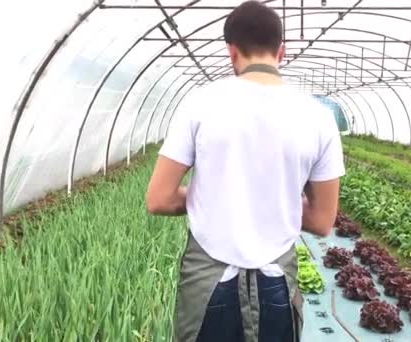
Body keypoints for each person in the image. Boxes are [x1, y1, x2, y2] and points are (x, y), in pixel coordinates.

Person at [145, 1, 345, 341]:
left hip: (208, 281)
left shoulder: (200, 104)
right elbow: (323, 221)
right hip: (277, 282)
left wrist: (216, 198)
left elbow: (158, 199)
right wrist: (270, 202)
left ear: (232, 52)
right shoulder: (319, 118)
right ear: (281, 51)